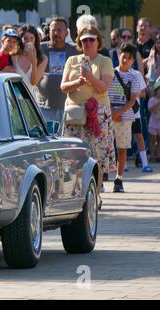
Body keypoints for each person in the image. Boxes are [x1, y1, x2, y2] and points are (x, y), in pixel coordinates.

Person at [60, 26, 116, 193]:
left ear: (98, 42)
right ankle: (73, 193)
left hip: (97, 117)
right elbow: (63, 87)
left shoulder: (105, 61)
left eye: (92, 39)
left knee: (96, 156)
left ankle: (96, 193)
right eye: (84, 40)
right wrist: (78, 82)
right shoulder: (72, 61)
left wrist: (90, 77)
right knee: (72, 156)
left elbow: (103, 88)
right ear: (79, 43)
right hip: (75, 116)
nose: (88, 43)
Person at [108, 43, 144, 192]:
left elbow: (133, 100)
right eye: (124, 56)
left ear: (132, 61)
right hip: (108, 115)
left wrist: (119, 112)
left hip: (126, 116)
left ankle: (119, 178)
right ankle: (102, 178)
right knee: (107, 149)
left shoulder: (135, 76)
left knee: (122, 148)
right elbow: (104, 94)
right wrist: (111, 112)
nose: (125, 60)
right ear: (118, 55)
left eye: (129, 58)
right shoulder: (110, 73)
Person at [38, 17, 78, 125]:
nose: (56, 33)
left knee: (66, 141)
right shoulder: (40, 49)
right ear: (49, 32)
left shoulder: (75, 51)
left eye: (60, 30)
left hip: (68, 106)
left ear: (66, 32)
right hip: (45, 106)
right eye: (53, 30)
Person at [14, 24, 48, 101]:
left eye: (31, 38)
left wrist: (33, 61)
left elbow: (34, 82)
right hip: (15, 98)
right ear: (21, 40)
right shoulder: (14, 56)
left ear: (36, 39)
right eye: (25, 38)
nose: (29, 41)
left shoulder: (43, 59)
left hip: (31, 100)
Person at [148, 81, 160, 162]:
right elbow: (150, 109)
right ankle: (152, 155)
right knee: (153, 139)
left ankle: (158, 156)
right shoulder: (152, 99)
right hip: (153, 122)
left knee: (159, 140)